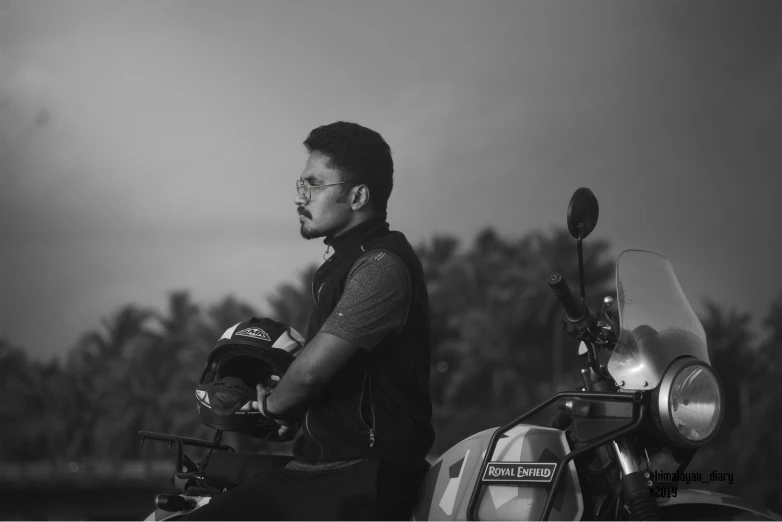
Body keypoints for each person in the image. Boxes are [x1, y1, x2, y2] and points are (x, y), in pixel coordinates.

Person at [182, 121, 434, 520]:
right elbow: (342, 383)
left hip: (360, 476)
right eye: (300, 186)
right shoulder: (342, 265)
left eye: (314, 185)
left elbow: (310, 374)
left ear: (358, 196)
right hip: (323, 470)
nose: (301, 198)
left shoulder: (380, 266)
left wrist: (271, 408)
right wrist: (300, 416)